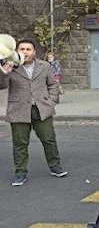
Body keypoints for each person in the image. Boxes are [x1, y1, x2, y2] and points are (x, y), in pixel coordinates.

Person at [1, 39, 68, 186]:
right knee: (20, 144)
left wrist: (51, 102)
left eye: (28, 49)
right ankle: (20, 173)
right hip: (18, 110)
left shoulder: (44, 66)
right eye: (22, 49)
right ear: (16, 51)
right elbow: (2, 85)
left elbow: (53, 84)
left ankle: (55, 166)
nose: (25, 52)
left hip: (42, 109)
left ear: (34, 52)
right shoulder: (11, 66)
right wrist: (4, 73)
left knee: (49, 139)